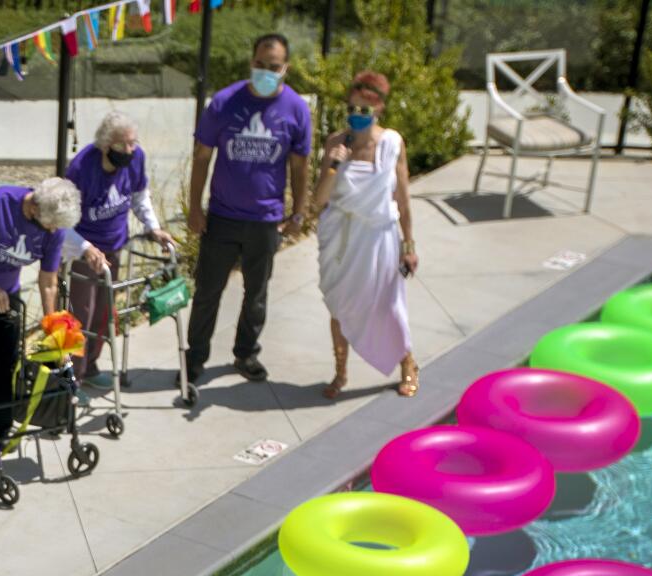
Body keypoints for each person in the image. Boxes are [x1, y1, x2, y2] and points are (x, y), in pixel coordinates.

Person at [185, 32, 313, 387]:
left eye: (274, 67)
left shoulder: (296, 109)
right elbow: (201, 156)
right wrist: (195, 209)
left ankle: (246, 354)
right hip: (223, 217)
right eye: (260, 64)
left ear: (285, 68)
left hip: (265, 220)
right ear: (250, 61)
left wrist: (298, 213)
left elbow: (300, 165)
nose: (266, 71)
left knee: (256, 294)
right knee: (208, 291)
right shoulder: (225, 103)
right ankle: (195, 358)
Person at [0, 177, 95, 419]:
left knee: (7, 360)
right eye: (50, 226)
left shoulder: (54, 228)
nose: (53, 231)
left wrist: (54, 329)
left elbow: (48, 282)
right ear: (34, 208)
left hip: (6, 290)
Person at [312, 70, 421, 399]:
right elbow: (319, 200)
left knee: (388, 305)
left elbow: (402, 197)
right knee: (338, 305)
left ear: (379, 110)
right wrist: (333, 165)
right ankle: (340, 373)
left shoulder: (391, 143)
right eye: (352, 109)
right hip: (342, 239)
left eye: (364, 110)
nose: (357, 116)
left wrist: (409, 245)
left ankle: (408, 363)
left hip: (379, 238)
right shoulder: (335, 142)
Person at [66, 111, 172, 389]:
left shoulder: (136, 159)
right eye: (123, 145)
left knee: (104, 311)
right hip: (84, 250)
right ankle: (72, 378)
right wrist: (85, 247)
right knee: (82, 313)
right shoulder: (81, 168)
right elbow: (63, 220)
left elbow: (139, 197)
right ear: (105, 145)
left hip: (115, 245)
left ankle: (89, 367)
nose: (130, 150)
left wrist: (153, 227)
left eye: (133, 143)